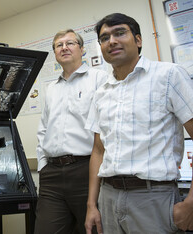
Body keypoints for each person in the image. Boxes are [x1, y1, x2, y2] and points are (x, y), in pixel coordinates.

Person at [84, 13, 193, 234]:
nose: (111, 41)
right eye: (104, 38)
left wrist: (191, 202)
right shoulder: (101, 92)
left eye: (120, 33)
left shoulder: (169, 75)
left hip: (153, 197)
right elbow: (98, 150)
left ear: (138, 40)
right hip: (108, 197)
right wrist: (91, 205)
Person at [34, 29, 108, 234]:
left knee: (92, 229)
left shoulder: (99, 79)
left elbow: (104, 128)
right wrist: (42, 165)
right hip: (52, 175)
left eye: (70, 43)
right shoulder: (51, 89)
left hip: (86, 171)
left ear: (82, 49)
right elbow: (43, 129)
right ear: (55, 53)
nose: (64, 48)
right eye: (59, 45)